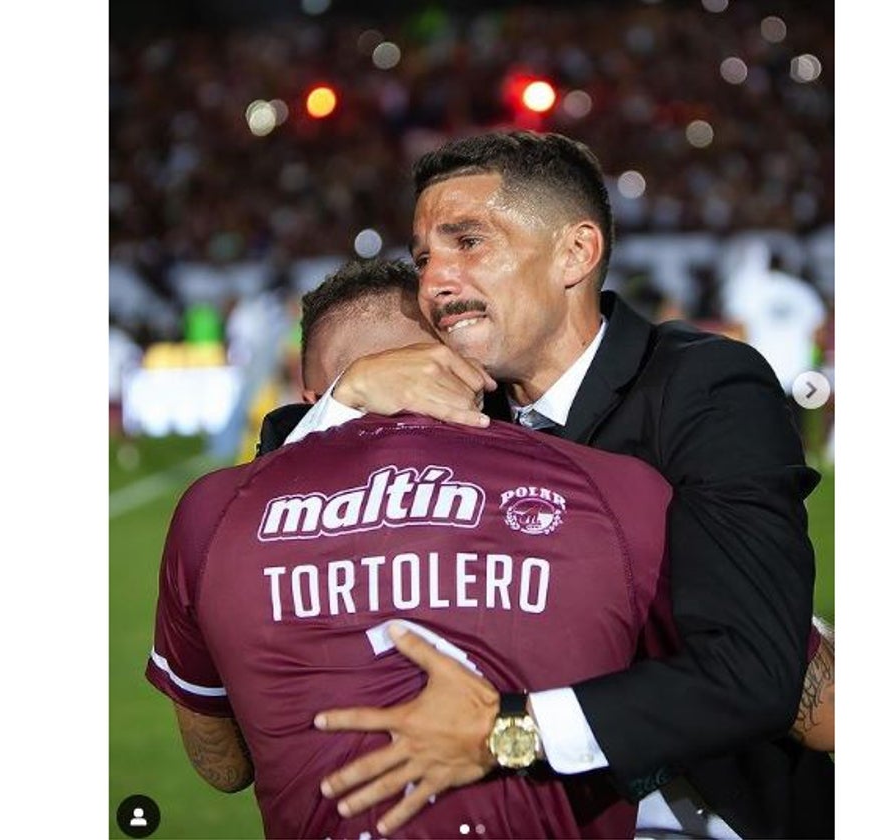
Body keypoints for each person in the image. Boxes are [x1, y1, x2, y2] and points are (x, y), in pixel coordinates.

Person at [279, 132, 830, 838]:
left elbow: (751, 673)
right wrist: (346, 400)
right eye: (423, 258)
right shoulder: (459, 404)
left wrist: (503, 733)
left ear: (576, 253)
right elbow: (265, 495)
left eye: (469, 242)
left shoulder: (703, 389)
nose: (435, 281)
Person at [146, 258, 683, 838]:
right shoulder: (613, 488)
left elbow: (221, 765)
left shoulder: (214, 513)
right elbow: (751, 682)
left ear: (308, 394)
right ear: (468, 364)